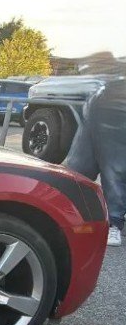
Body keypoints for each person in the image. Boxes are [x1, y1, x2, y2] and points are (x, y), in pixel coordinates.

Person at [63, 78, 126, 247]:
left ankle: (114, 222)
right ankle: (66, 214)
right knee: (78, 168)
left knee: (115, 170)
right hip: (99, 104)